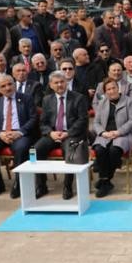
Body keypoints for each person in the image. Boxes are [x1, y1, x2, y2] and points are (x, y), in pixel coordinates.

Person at [34, 71, 90, 200]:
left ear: (66, 83)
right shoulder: (47, 100)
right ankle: (41, 185)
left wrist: (68, 133)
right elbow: (43, 122)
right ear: (51, 85)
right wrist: (50, 133)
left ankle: (67, 186)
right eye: (56, 83)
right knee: (36, 150)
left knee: (69, 150)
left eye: (62, 82)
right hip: (53, 134)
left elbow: (83, 120)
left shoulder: (78, 98)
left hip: (71, 134)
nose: (59, 85)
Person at [0, 74, 38, 198]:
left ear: (14, 84)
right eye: (3, 86)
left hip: (21, 133)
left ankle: (19, 184)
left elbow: (33, 118)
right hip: (2, 133)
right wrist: (0, 134)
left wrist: (19, 132)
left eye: (10, 84)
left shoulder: (26, 98)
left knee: (21, 148)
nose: (7, 88)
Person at [91, 78, 132, 197]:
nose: (112, 91)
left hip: (123, 134)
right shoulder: (102, 102)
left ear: (118, 88)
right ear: (105, 92)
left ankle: (104, 180)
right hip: (105, 134)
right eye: (108, 89)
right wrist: (103, 133)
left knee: (114, 150)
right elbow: (96, 122)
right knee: (99, 149)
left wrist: (118, 132)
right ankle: (106, 181)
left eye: (113, 88)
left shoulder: (129, 101)